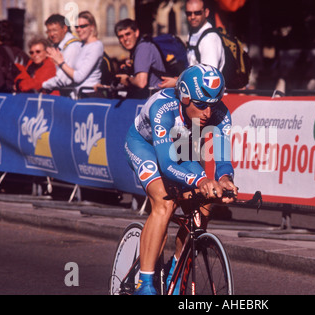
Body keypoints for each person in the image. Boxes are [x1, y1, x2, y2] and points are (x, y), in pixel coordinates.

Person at [124, 64, 237, 295]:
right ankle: (144, 284)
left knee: (204, 204)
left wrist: (224, 179)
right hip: (145, 146)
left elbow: (223, 157)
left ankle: (177, 267)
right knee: (164, 203)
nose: (208, 112)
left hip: (181, 148)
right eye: (201, 105)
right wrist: (201, 181)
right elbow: (166, 165)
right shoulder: (162, 108)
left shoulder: (220, 114)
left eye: (213, 105)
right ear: (184, 97)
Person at [158, 0, 225, 88]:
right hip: (196, 90)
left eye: (197, 13)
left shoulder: (210, 39)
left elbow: (209, 78)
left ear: (206, 12)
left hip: (209, 94)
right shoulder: (193, 33)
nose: (192, 17)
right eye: (189, 13)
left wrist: (177, 82)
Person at [46, 11, 103, 98]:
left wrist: (61, 63)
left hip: (90, 95)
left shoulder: (96, 46)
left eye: (83, 26)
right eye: (77, 27)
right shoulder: (83, 45)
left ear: (92, 27)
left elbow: (78, 77)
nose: (79, 29)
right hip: (79, 96)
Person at [114, 18, 166, 98]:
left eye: (128, 34)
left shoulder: (143, 48)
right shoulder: (139, 48)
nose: (125, 39)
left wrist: (127, 79)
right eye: (121, 36)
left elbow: (141, 83)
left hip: (156, 100)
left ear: (136, 33)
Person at [41, 14, 82, 95]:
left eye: (54, 30)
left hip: (72, 98)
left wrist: (42, 85)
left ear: (65, 28)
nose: (51, 34)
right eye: (49, 31)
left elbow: (63, 80)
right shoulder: (57, 45)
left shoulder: (72, 47)